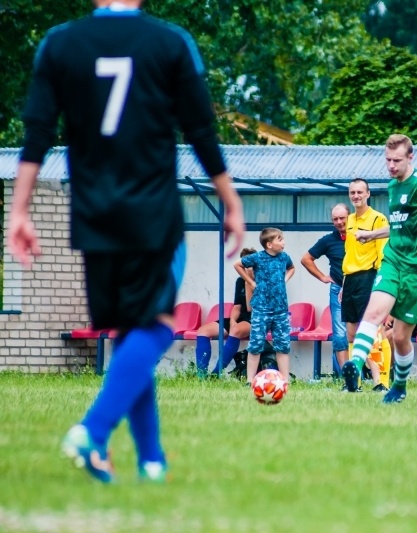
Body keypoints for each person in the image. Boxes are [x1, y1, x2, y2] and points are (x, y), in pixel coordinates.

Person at [8, 0, 245, 483]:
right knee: (157, 326)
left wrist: (19, 209)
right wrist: (230, 200)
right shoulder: (169, 42)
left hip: (92, 211)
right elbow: (200, 129)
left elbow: (36, 133)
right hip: (151, 209)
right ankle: (93, 430)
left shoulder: (59, 43)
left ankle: (151, 462)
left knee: (127, 332)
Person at [342, 134, 417, 403]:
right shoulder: (392, 187)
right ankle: (355, 365)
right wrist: (374, 234)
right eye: (388, 160)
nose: (391, 165)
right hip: (393, 261)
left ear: (410, 157)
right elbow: (399, 225)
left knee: (401, 336)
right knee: (374, 311)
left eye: (397, 160)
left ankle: (399, 386)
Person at [341, 178, 389, 392]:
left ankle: (381, 382)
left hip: (369, 278)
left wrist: (382, 286)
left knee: (372, 332)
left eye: (360, 192)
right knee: (351, 334)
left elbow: (383, 256)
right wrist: (344, 284)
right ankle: (355, 383)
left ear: (368, 194)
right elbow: (349, 254)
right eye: (352, 192)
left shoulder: (378, 219)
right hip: (350, 280)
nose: (356, 196)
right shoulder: (349, 219)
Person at [235, 228, 295, 385]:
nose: (283, 242)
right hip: (261, 309)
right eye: (280, 239)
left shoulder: (284, 257)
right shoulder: (257, 258)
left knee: (282, 346)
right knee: (256, 345)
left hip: (281, 309)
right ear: (269, 244)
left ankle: (284, 381)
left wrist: (284, 280)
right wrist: (251, 282)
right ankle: (250, 380)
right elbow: (238, 265)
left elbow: (292, 268)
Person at [300, 204, 349, 375]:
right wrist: (322, 277)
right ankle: (346, 377)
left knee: (365, 333)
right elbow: (306, 259)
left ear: (350, 217)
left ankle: (374, 377)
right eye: (335, 219)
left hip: (361, 290)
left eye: (342, 218)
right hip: (338, 290)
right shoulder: (328, 240)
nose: (339, 222)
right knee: (340, 334)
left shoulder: (361, 236)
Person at [195, 247, 257, 378]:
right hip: (240, 318)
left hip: (256, 318)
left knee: (235, 331)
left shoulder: (261, 281)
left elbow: (250, 307)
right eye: (244, 265)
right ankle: (201, 375)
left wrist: (249, 281)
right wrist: (233, 321)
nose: (247, 268)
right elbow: (237, 307)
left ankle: (216, 374)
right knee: (203, 331)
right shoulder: (240, 281)